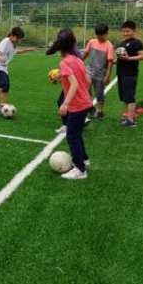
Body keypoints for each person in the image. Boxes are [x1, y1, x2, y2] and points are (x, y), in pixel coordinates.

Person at [52, 29, 93, 179]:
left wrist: (65, 104)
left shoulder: (64, 63)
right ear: (74, 44)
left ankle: (80, 170)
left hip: (77, 106)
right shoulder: (78, 60)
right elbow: (88, 81)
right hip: (85, 102)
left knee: (71, 136)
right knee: (77, 133)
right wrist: (83, 94)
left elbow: (74, 84)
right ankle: (84, 159)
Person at [47, 28, 87, 134]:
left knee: (62, 102)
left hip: (74, 85)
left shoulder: (72, 55)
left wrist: (59, 75)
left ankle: (67, 124)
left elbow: (73, 71)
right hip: (78, 84)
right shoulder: (75, 51)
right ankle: (77, 120)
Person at [0, 27, 37, 112]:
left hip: (3, 66)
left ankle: (3, 105)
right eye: (18, 38)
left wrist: (28, 49)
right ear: (13, 35)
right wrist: (0, 57)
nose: (19, 40)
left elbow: (16, 52)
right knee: (3, 83)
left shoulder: (13, 43)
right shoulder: (6, 41)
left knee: (6, 86)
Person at [116, 21, 143, 127]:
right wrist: (111, 61)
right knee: (125, 97)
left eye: (127, 31)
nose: (125, 33)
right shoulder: (122, 43)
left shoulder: (136, 42)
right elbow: (121, 58)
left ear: (134, 31)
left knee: (130, 97)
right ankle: (128, 116)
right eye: (123, 31)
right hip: (121, 73)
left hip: (130, 74)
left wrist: (129, 58)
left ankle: (131, 121)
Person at [82, 23, 114, 121]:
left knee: (99, 93)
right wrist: (77, 62)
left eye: (101, 35)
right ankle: (90, 108)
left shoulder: (109, 46)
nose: (99, 37)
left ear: (106, 33)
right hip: (89, 72)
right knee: (86, 91)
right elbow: (85, 54)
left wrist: (107, 76)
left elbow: (110, 62)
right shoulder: (91, 42)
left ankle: (100, 111)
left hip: (100, 75)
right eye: (98, 35)